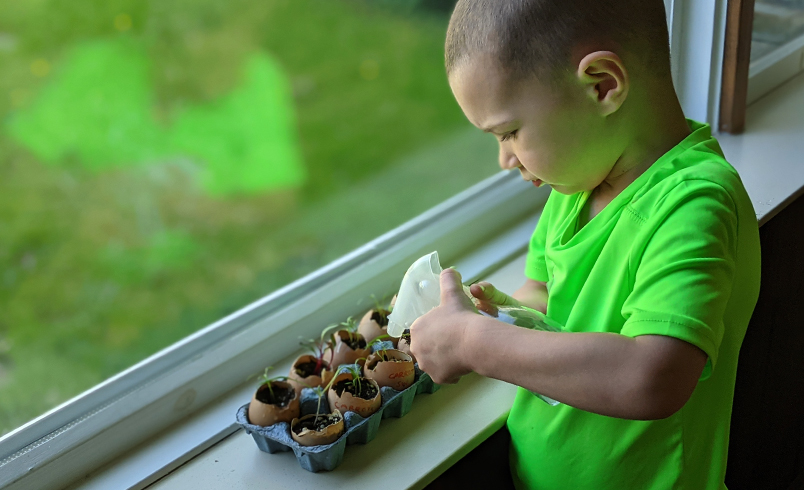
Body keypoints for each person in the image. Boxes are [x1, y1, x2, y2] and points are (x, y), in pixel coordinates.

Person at [408, 1, 762, 489]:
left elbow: (653, 376)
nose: (504, 160)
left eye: (509, 131)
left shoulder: (696, 205)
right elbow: (547, 295)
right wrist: (501, 315)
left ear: (602, 85)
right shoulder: (575, 186)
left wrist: (476, 344)